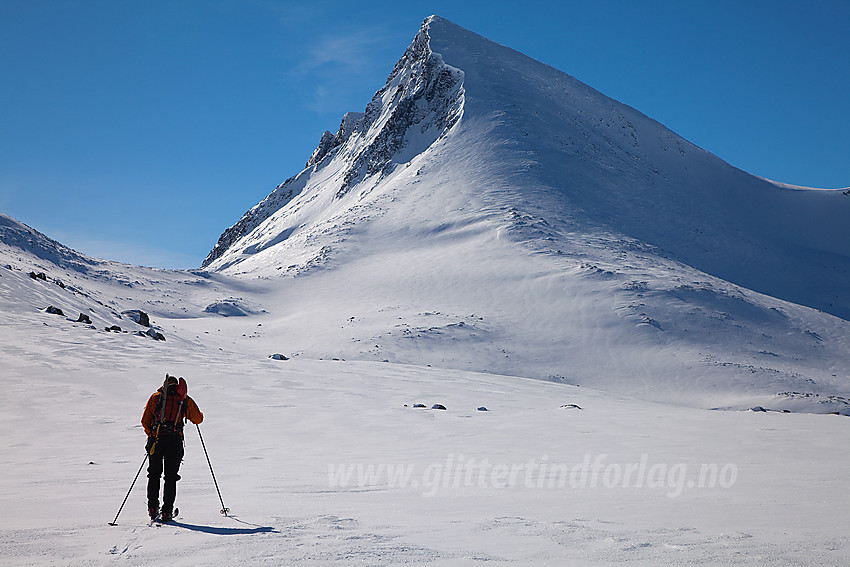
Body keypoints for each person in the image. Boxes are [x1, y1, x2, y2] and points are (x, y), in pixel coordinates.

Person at [141, 374, 203, 522]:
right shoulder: (184, 399)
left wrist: (152, 434)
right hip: (174, 441)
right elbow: (198, 419)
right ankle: (167, 511)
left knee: (154, 474)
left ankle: (152, 507)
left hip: (156, 440)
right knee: (170, 477)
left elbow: (145, 421)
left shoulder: (156, 397)